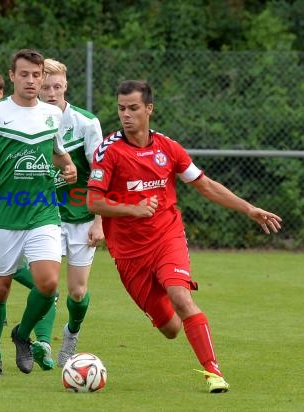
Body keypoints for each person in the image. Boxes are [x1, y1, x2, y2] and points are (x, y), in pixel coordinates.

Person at [86, 80, 282, 393]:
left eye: (133, 108)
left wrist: (248, 209)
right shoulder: (109, 151)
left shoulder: (168, 148)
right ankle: (179, 314)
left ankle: (213, 372)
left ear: (149, 108)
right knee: (170, 328)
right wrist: (133, 209)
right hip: (128, 254)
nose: (126, 114)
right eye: (121, 108)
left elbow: (205, 185)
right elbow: (93, 201)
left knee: (181, 297)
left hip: (167, 238)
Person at [0, 49, 77, 376]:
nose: (31, 80)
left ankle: (22, 335)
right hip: (2, 215)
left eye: (36, 75)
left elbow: (57, 153)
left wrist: (68, 168)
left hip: (42, 212)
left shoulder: (53, 116)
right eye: (24, 74)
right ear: (12, 76)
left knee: (49, 283)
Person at [38, 58, 105, 367]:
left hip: (80, 216)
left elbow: (101, 173)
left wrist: (99, 220)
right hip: (43, 215)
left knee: (77, 292)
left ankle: (71, 333)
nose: (51, 93)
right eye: (45, 87)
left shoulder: (85, 122)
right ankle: (41, 344)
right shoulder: (30, 120)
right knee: (46, 285)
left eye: (57, 86)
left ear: (66, 86)